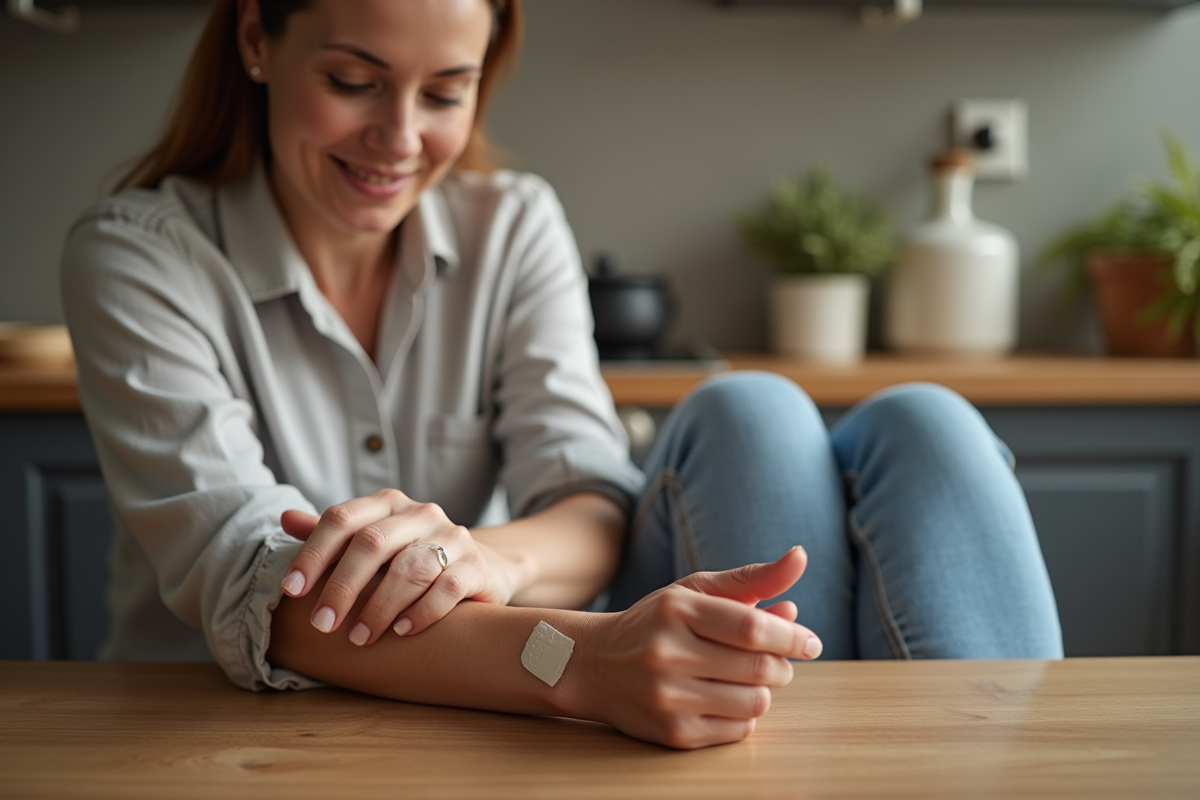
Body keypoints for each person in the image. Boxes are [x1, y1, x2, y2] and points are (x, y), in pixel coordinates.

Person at [61, 0, 1062, 750]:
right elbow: (259, 590)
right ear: (255, 40)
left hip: (487, 706)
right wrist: (576, 657)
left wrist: (487, 559)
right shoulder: (136, 254)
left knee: (922, 421)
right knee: (752, 410)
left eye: (445, 92)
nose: (402, 137)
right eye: (356, 82)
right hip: (233, 737)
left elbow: (586, 492)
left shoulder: (514, 221)